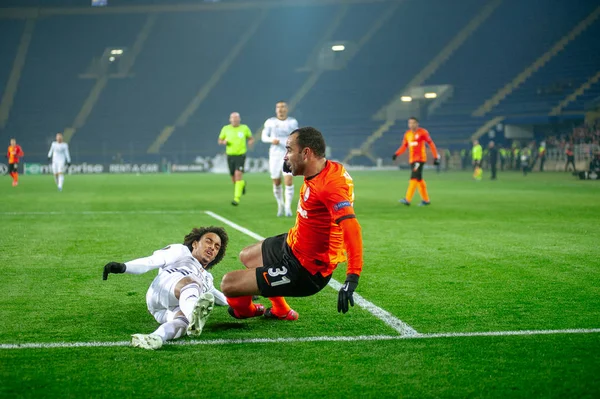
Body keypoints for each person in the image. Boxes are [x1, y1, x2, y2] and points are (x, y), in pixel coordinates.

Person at [221, 127, 363, 321]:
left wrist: (352, 277)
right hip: (292, 244)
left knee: (228, 284)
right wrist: (295, 165)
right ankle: (281, 311)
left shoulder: (329, 187)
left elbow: (351, 227)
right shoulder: (325, 168)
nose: (285, 156)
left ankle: (248, 311)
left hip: (307, 270)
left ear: (306, 153)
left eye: (288, 150)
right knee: (247, 256)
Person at [102, 227, 229, 350]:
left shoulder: (207, 279)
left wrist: (244, 300)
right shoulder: (181, 251)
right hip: (162, 288)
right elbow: (151, 261)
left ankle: (156, 337)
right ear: (195, 244)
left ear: (216, 255)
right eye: (208, 241)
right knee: (193, 283)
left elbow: (222, 299)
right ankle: (193, 317)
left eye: (217, 247)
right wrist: (124, 267)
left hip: (162, 311)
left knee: (183, 322)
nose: (212, 247)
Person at [261, 101, 299, 217]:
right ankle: (280, 205)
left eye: (283, 107)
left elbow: (298, 136)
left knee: (288, 180)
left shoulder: (292, 122)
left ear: (286, 109)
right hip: (275, 155)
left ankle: (288, 207)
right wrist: (271, 140)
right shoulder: (270, 122)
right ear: (276, 109)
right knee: (276, 182)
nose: (280, 109)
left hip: (288, 155)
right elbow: (263, 136)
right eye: (278, 107)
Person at [392, 117, 440, 206]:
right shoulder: (408, 134)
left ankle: (407, 199)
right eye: (410, 123)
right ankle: (426, 200)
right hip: (412, 160)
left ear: (417, 124)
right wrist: (396, 154)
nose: (411, 125)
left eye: (413, 123)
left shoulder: (423, 132)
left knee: (413, 177)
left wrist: (436, 157)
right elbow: (404, 146)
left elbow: (431, 144)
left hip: (420, 159)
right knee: (419, 179)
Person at [218, 112, 254, 206]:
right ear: (230, 120)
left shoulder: (244, 128)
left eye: (236, 118)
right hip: (230, 155)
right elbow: (220, 140)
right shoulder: (226, 129)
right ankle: (242, 184)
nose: (234, 120)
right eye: (233, 118)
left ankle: (236, 199)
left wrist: (250, 142)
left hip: (240, 155)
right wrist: (223, 142)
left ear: (239, 119)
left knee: (238, 175)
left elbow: (250, 138)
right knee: (234, 179)